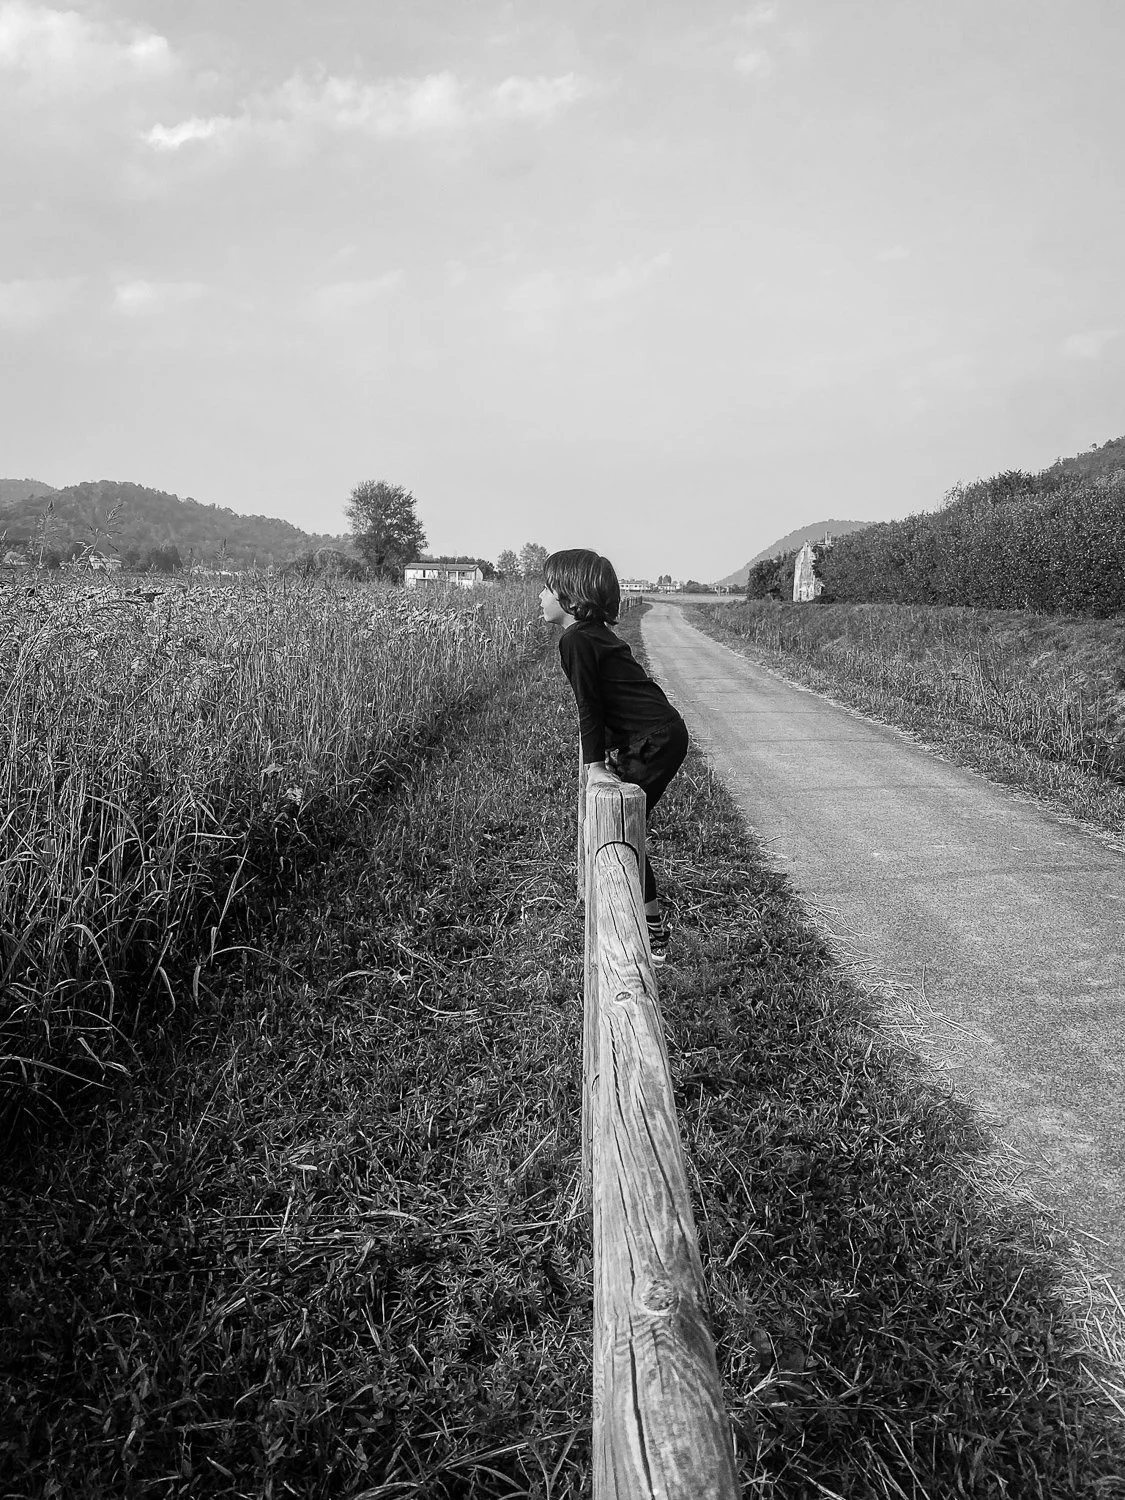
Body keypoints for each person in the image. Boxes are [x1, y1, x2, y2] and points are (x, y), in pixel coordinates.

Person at [540, 549, 689, 966]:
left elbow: (589, 706)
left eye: (547, 588)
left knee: (622, 824)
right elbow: (604, 704)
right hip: (659, 733)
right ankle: (647, 920)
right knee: (625, 825)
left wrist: (595, 767)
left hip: (653, 740)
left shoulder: (575, 639)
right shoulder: (594, 634)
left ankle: (651, 932)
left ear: (571, 596)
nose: (540, 596)